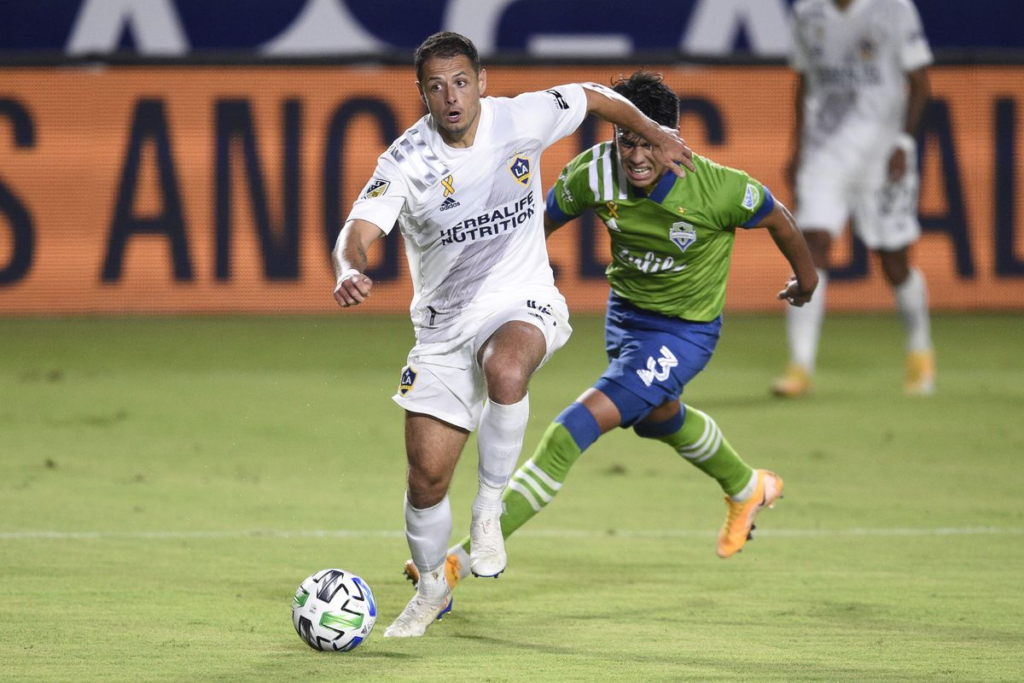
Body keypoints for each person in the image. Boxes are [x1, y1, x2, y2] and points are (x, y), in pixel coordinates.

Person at [333, 34, 693, 637]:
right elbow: (357, 231)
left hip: (521, 299)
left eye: (461, 82)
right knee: (425, 480)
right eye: (436, 87)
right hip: (443, 330)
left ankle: (489, 510)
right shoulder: (406, 161)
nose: (451, 97)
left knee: (505, 368)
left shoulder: (521, 118)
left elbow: (593, 95)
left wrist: (653, 131)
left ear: (482, 81)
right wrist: (349, 269)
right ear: (421, 93)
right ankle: (430, 591)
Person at [402, 71, 818, 593]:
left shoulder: (717, 188)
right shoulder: (593, 173)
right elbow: (531, 228)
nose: (636, 156)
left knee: (571, 431)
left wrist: (807, 280)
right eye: (626, 140)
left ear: (674, 139)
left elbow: (777, 217)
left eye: (650, 143)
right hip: (625, 318)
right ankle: (747, 485)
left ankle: (459, 561)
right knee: (656, 417)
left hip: (684, 333)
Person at [772, 0, 935, 398]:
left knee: (894, 262)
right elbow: (804, 82)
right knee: (811, 246)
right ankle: (800, 365)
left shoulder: (894, 9)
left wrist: (904, 142)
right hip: (825, 154)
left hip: (882, 156)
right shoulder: (807, 13)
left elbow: (920, 82)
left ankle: (919, 350)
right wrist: (797, 148)